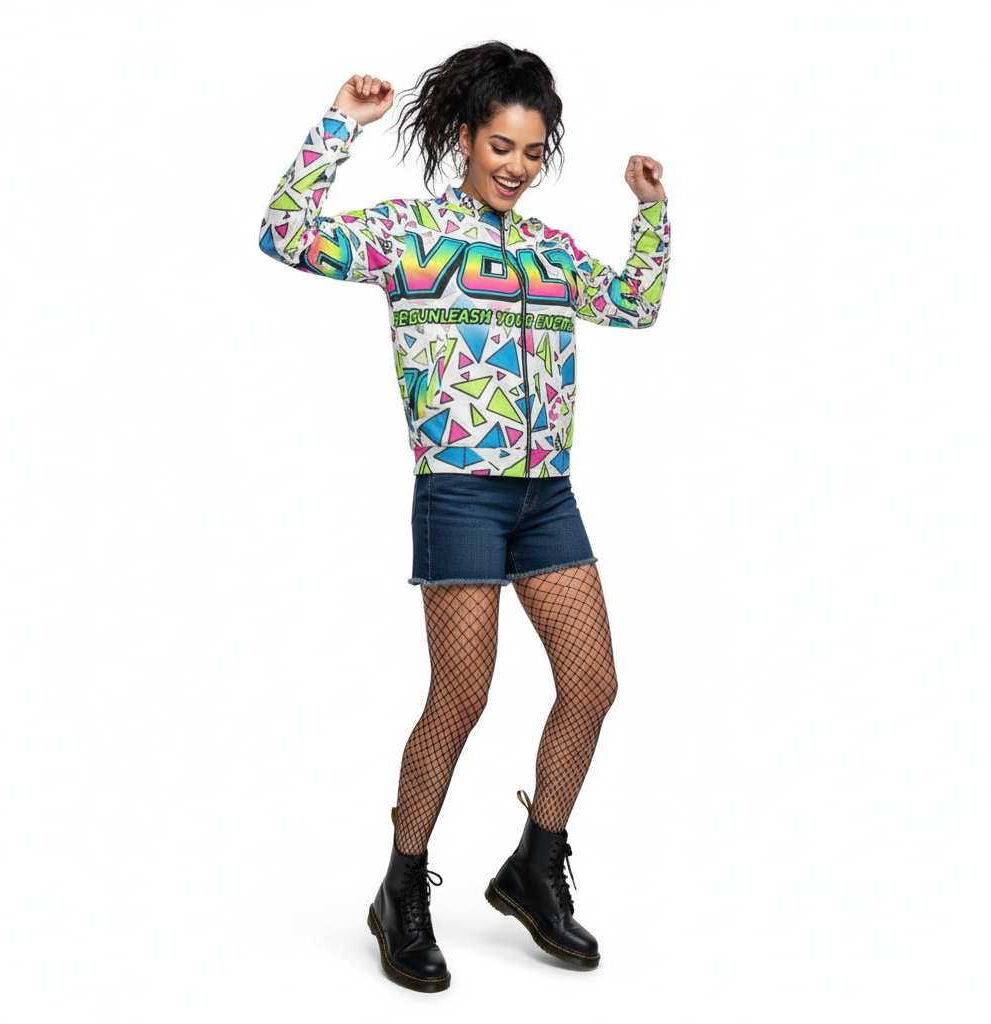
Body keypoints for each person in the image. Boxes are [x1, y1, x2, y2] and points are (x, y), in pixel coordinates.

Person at [257, 41, 670, 993]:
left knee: (593, 684)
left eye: (533, 152)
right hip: (460, 491)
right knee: (462, 696)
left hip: (547, 496)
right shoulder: (410, 236)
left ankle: (534, 865)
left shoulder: (550, 250)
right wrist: (340, 126)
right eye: (501, 146)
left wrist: (651, 212)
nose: (517, 168)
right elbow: (283, 232)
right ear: (464, 139)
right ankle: (401, 886)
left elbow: (637, 304)